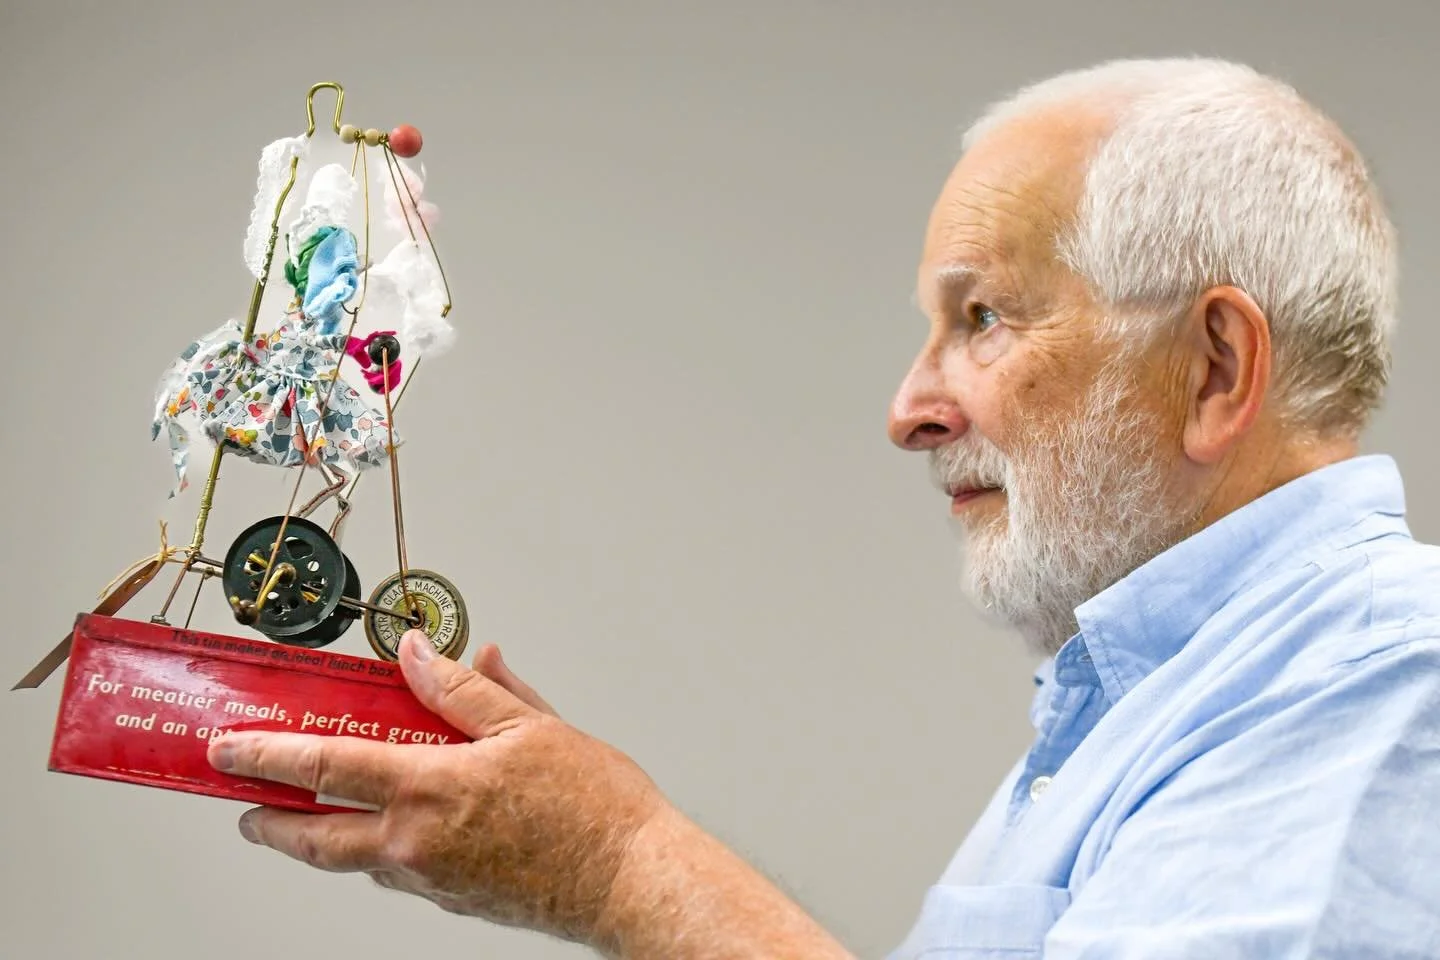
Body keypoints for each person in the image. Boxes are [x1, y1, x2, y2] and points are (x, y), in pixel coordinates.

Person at [203, 56, 1440, 958]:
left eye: (984, 318)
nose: (909, 407)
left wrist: (620, 864)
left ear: (1215, 368)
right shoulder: (1155, 705)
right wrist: (578, 837)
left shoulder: (1378, 687)